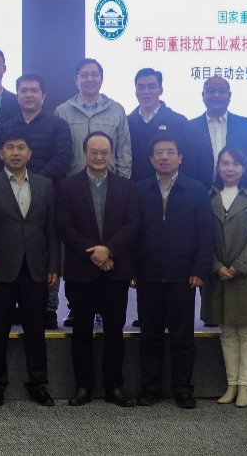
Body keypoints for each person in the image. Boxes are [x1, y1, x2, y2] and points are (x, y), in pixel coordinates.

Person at [56, 131, 139, 408]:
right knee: (81, 331)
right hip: (81, 271)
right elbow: (65, 227)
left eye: (104, 152)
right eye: (94, 151)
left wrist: (109, 250)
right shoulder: (67, 187)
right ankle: (83, 386)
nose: (99, 156)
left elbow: (132, 224)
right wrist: (95, 253)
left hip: (116, 270)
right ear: (84, 153)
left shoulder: (127, 187)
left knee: (115, 331)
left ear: (112, 154)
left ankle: (114, 387)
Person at [0, 129, 60, 407]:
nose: (16, 152)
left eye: (21, 147)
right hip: (0, 269)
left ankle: (38, 383)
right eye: (10, 147)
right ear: (1, 153)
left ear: (30, 153)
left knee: (36, 329)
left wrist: (54, 265)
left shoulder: (45, 185)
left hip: (36, 268)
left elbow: (52, 230)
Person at [133, 132, 214, 409]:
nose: (164, 157)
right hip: (149, 275)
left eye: (170, 152)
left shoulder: (196, 190)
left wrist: (200, 268)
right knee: (150, 335)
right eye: (159, 152)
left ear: (180, 157)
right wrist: (133, 269)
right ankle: (149, 388)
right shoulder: (139, 190)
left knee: (183, 336)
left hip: (184, 275)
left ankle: (182, 389)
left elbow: (206, 233)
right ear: (151, 158)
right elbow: (132, 232)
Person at [0, 72, 73, 329]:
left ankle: (49, 306)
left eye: (34, 90)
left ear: (44, 95)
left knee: (48, 248)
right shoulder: (7, 126)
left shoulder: (57, 125)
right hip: (10, 195)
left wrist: (34, 182)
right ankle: (18, 304)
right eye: (23, 90)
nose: (28, 95)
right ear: (17, 95)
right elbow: (0, 159)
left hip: (47, 195)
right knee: (15, 246)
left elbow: (62, 159)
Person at [204, 146, 247, 409]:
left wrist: (239, 265)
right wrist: (216, 265)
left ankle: (246, 386)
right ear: (218, 167)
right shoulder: (208, 196)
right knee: (228, 332)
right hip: (218, 274)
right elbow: (202, 234)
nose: (229, 168)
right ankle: (231, 384)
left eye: (235, 163)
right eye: (224, 163)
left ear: (244, 168)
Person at [127, 68, 211, 185]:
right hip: (133, 187)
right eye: (141, 87)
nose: (146, 92)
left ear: (161, 90)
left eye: (152, 87)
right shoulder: (126, 122)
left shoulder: (178, 122)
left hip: (170, 188)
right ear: (136, 91)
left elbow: (190, 159)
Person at [54, 58, 133, 179]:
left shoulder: (117, 110)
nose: (90, 79)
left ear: (101, 79)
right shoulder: (63, 111)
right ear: (76, 80)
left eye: (94, 75)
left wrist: (123, 182)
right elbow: (58, 153)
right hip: (72, 181)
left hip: (110, 181)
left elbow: (124, 150)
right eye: (84, 75)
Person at [189, 76, 247, 187]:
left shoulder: (244, 125)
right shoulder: (190, 127)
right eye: (211, 91)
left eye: (222, 91)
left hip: (239, 192)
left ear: (229, 96)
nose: (216, 95)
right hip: (200, 191)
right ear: (203, 96)